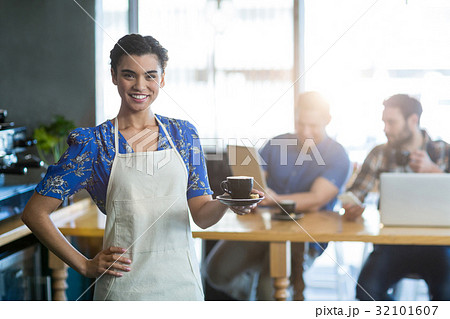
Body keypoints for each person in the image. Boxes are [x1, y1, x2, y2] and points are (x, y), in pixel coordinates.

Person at [21, 34, 261, 301]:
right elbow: (34, 213)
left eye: (150, 75)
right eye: (129, 75)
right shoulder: (93, 144)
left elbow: (202, 216)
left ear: (162, 78)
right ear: (113, 76)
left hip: (182, 287)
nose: (140, 85)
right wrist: (84, 265)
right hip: (124, 290)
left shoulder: (183, 135)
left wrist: (227, 201)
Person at [205, 91, 351, 300]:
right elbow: (258, 180)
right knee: (215, 273)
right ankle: (250, 295)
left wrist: (275, 200)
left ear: (327, 121)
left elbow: (316, 199)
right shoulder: (277, 143)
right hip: (263, 228)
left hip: (303, 237)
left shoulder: (337, 155)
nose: (305, 131)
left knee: (269, 291)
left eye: (313, 126)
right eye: (300, 124)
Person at [344, 94, 450, 301]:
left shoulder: (443, 151)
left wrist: (434, 172)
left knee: (446, 294)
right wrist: (352, 207)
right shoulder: (379, 153)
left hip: (438, 245)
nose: (385, 129)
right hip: (391, 243)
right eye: (384, 122)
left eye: (391, 122)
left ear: (413, 120)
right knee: (366, 291)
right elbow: (355, 195)